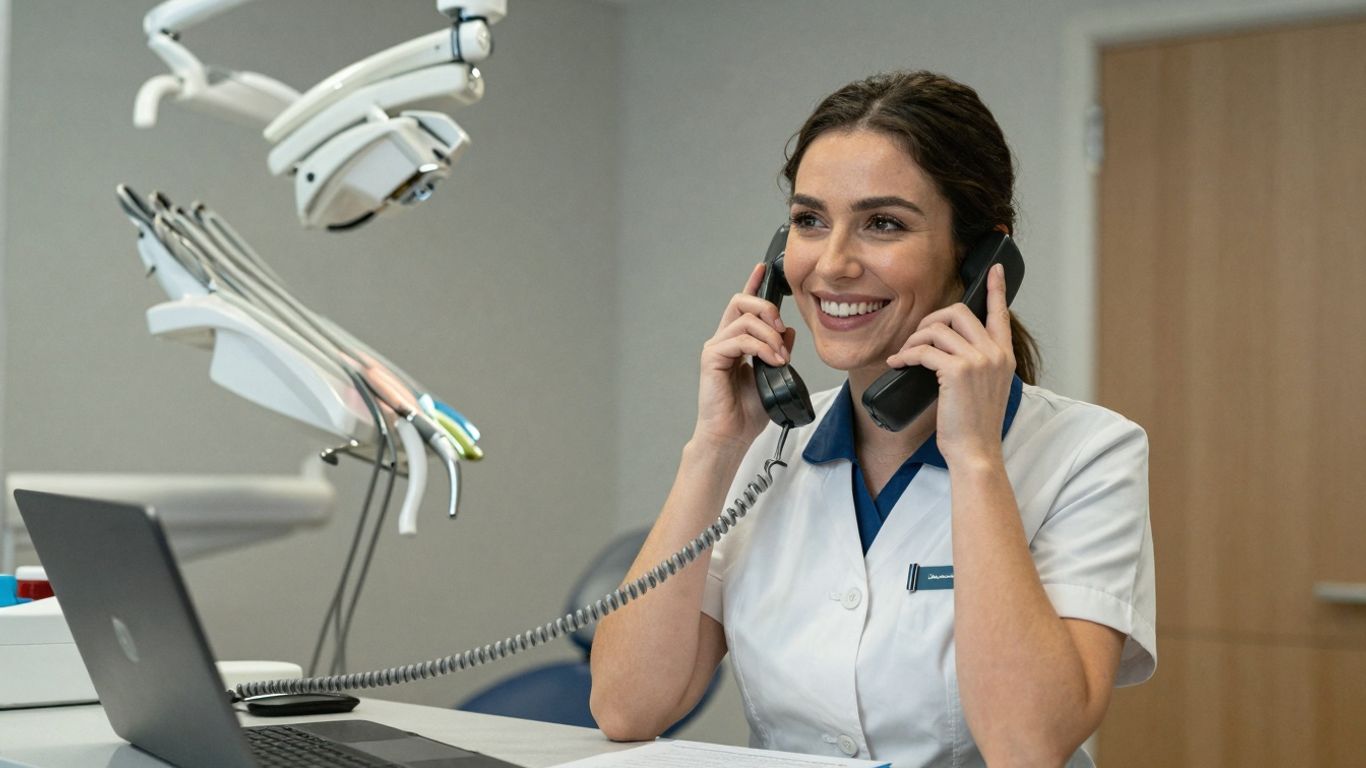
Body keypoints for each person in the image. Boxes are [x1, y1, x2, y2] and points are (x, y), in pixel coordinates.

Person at [589, 70, 1155, 768]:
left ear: (980, 259)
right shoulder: (768, 447)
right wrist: (713, 447)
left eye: (883, 223)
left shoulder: (1089, 454)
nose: (832, 264)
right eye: (809, 221)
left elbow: (1027, 746)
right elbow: (627, 707)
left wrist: (975, 458)